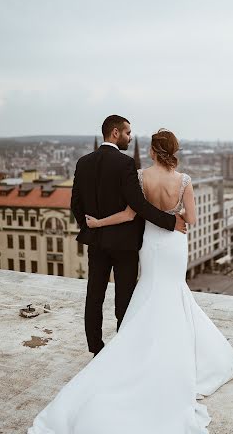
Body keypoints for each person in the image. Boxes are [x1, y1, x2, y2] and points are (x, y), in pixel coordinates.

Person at [22, 127, 233, 434]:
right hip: (174, 244)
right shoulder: (185, 180)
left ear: (153, 151)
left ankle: (130, 348)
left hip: (151, 245)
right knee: (175, 294)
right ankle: (180, 352)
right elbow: (193, 221)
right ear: (174, 151)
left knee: (150, 293)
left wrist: (97, 224)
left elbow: (129, 214)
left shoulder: (139, 176)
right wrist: (176, 218)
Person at [69, 114, 186, 356]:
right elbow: (137, 205)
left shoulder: (83, 162)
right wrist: (170, 221)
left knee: (94, 295)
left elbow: (76, 204)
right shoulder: (125, 164)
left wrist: (90, 227)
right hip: (124, 244)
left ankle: (95, 348)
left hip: (97, 242)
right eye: (128, 133)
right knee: (124, 298)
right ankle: (122, 350)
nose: (130, 138)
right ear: (115, 133)